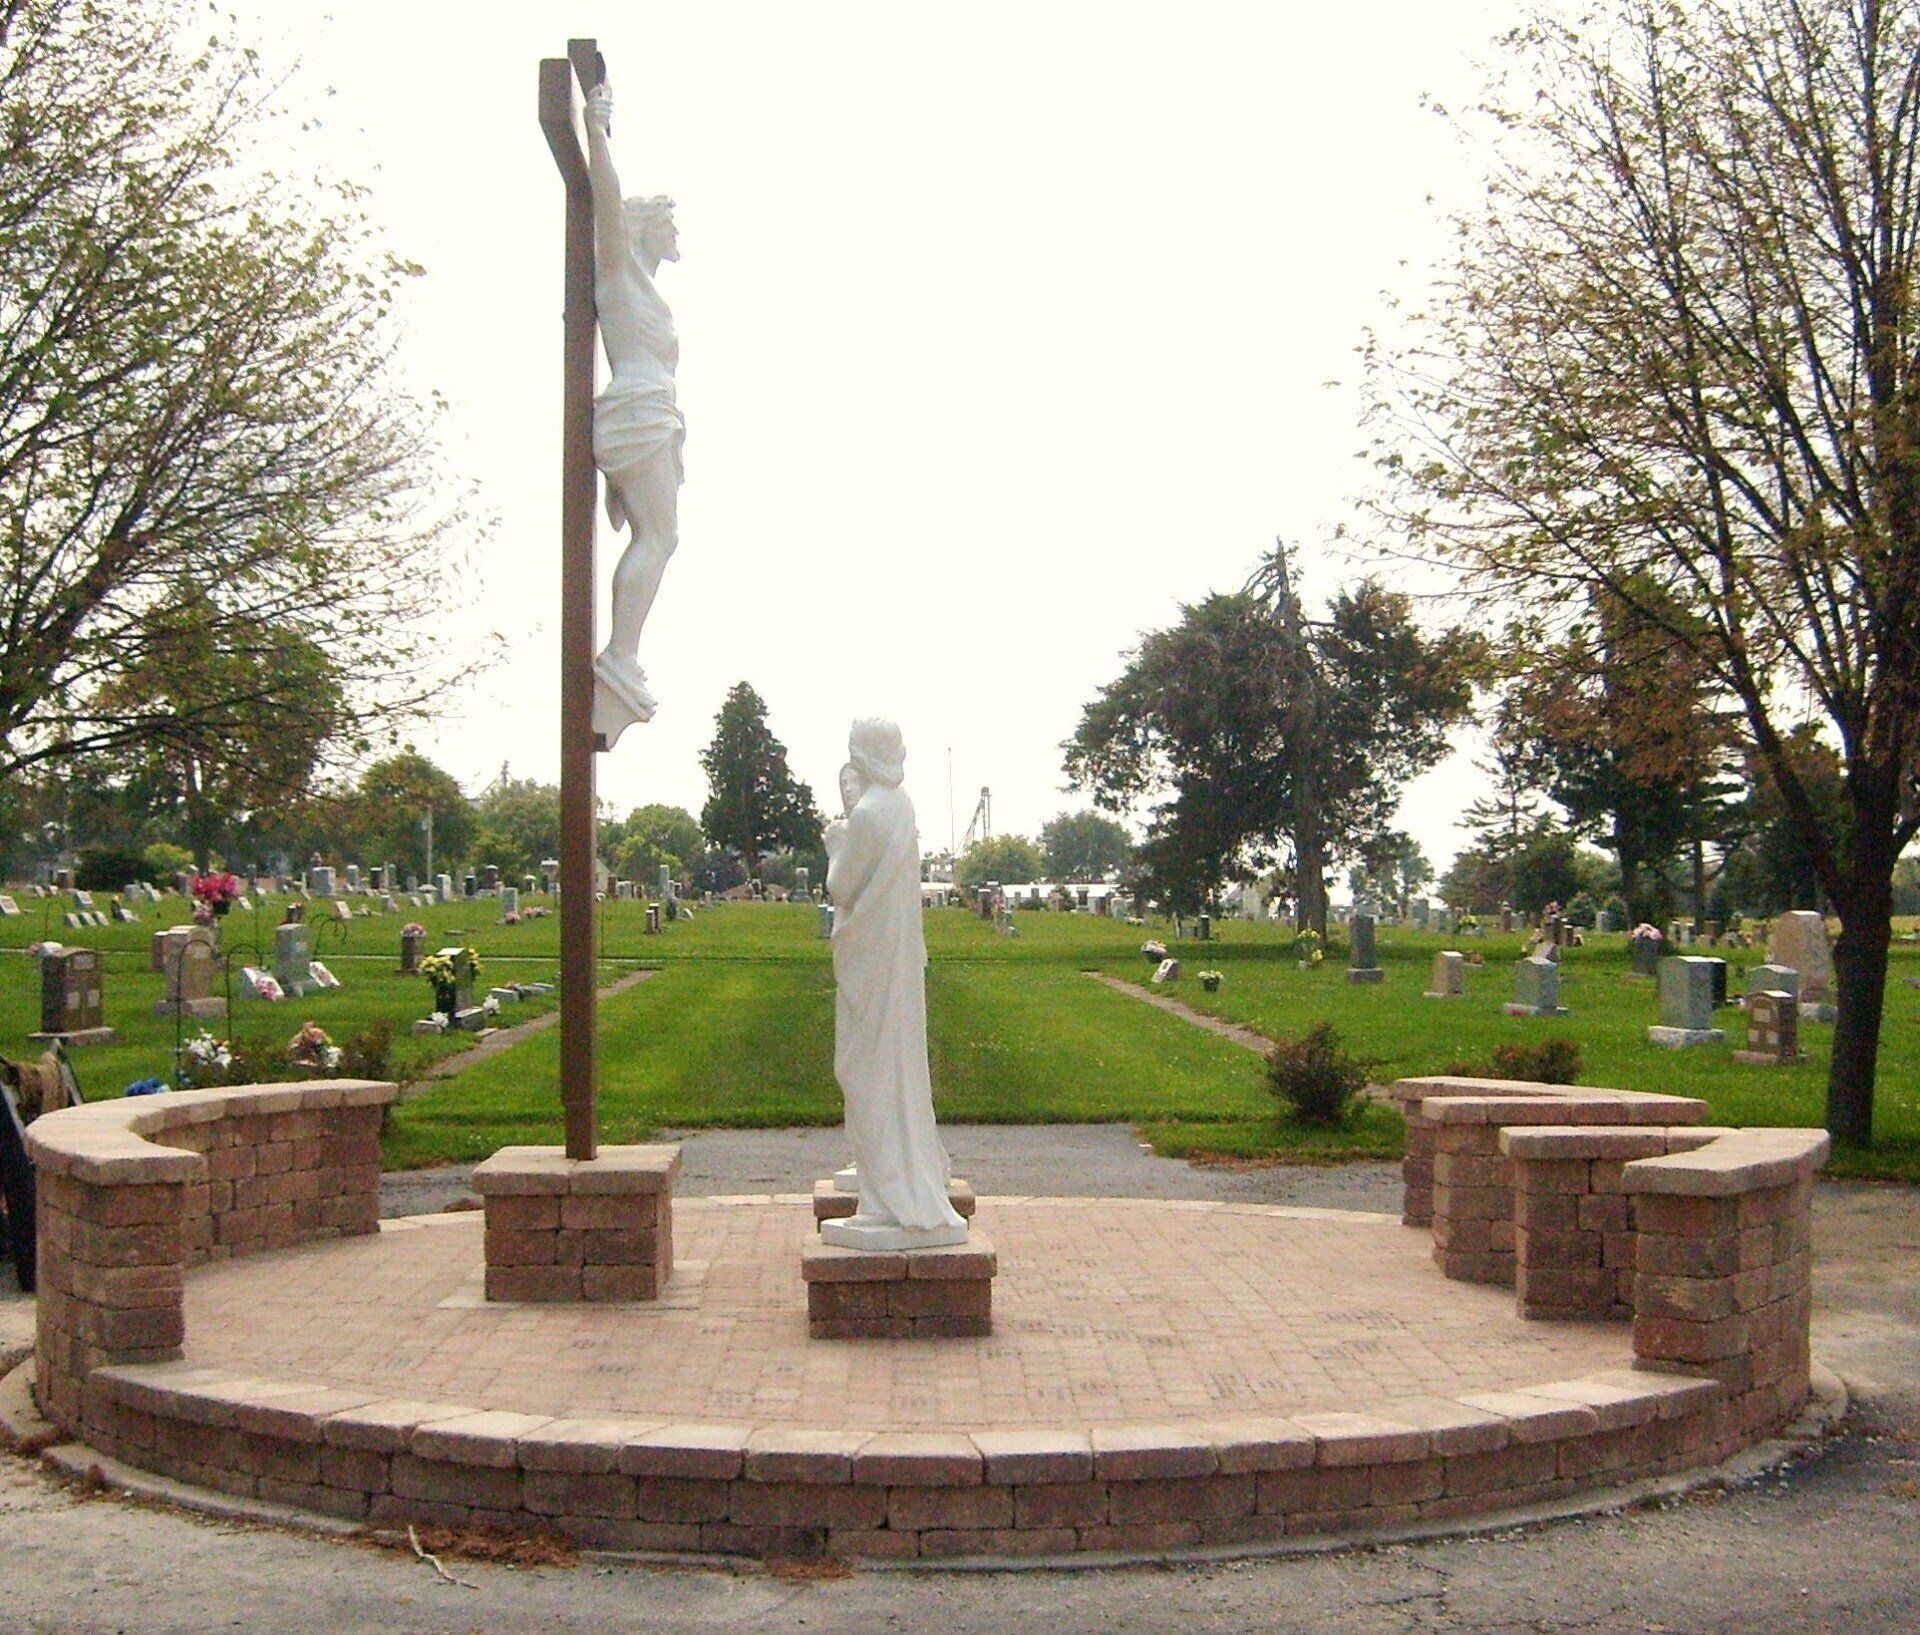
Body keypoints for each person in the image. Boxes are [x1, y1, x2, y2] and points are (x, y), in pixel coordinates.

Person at [822, 720, 967, 1248]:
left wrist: (835, 844)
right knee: (893, 1068)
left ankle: (886, 1202)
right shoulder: (900, 804)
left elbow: (841, 886)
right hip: (892, 959)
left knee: (864, 1072)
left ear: (859, 754)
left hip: (872, 961)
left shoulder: (867, 814)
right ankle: (893, 1190)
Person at [582, 82, 683, 748]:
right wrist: (597, 128)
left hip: (654, 415)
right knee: (659, 535)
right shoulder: (617, 271)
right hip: (637, 409)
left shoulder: (645, 285)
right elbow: (607, 203)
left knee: (659, 536)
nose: (679, 237)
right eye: (671, 224)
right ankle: (620, 654)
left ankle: (624, 651)